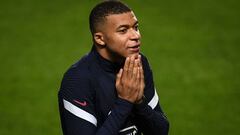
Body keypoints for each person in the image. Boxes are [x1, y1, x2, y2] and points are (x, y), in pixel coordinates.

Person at [58, 1, 169, 135]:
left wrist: (140, 103)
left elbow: (161, 131)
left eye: (136, 27)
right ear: (100, 38)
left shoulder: (138, 63)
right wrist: (125, 102)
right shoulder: (77, 80)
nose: (136, 36)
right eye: (123, 30)